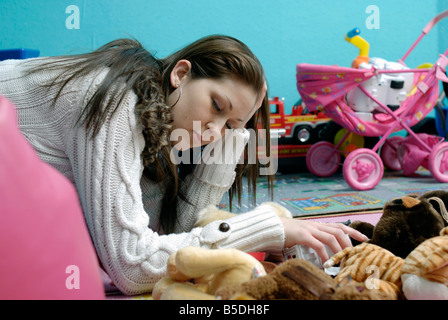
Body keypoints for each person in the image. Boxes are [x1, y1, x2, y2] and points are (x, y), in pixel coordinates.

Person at [0, 35, 367, 295]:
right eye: (217, 106)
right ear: (180, 74)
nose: (214, 131)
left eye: (231, 125)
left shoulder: (165, 127)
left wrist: (231, 141)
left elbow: (169, 233)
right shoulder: (115, 102)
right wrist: (266, 229)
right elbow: (131, 267)